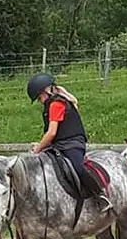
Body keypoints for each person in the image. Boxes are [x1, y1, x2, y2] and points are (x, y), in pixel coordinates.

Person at [26, 73, 112, 213]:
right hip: (58, 145)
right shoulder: (53, 105)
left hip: (72, 144)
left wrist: (38, 148)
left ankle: (100, 196)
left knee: (78, 168)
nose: (40, 101)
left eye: (40, 97)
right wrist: (40, 146)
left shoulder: (56, 104)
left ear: (47, 91)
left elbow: (52, 132)